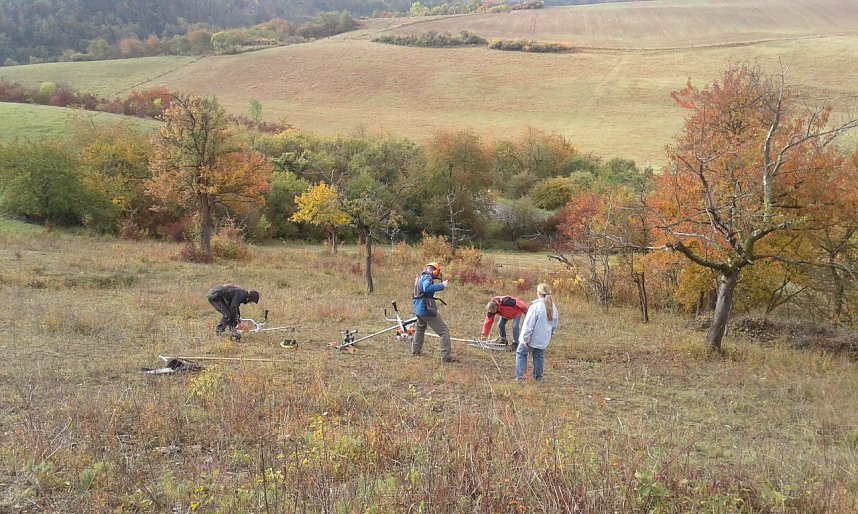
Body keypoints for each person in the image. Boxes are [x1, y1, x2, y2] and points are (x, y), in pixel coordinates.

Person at [411, 262, 456, 362]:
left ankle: (415, 351)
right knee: (443, 331)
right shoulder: (427, 277)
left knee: (420, 328)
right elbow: (426, 288)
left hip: (417, 308)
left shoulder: (420, 276)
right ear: (434, 270)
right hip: (425, 308)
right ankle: (446, 357)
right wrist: (441, 285)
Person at [516, 283, 559, 381]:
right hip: (543, 339)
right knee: (539, 357)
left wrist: (525, 339)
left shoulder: (535, 307)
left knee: (521, 354)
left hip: (531, 338)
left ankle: (521, 377)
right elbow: (554, 325)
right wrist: (549, 335)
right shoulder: (553, 307)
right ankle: (538, 377)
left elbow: (529, 324)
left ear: (538, 293)